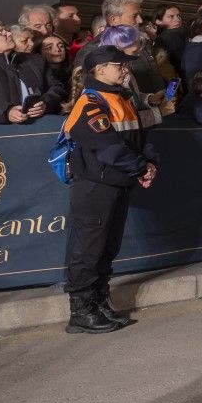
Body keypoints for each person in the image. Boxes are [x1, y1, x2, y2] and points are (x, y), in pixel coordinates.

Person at [60, 46, 158, 334]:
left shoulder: (121, 98)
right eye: (120, 65)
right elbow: (108, 149)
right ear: (100, 69)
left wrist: (150, 162)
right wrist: (140, 167)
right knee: (88, 249)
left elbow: (140, 137)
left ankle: (99, 303)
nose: (126, 69)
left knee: (107, 247)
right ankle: (80, 312)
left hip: (118, 182)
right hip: (95, 186)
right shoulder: (90, 102)